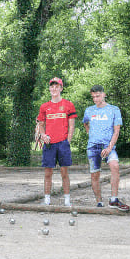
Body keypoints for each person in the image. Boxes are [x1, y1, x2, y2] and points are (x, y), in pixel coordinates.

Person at [80, 85, 130, 212]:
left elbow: (116, 131)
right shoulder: (89, 110)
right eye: (93, 97)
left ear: (103, 94)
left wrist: (109, 147)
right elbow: (85, 123)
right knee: (95, 175)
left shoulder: (114, 110)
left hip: (108, 146)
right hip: (92, 147)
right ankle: (99, 202)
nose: (96, 99)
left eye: (98, 96)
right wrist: (90, 133)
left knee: (115, 166)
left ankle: (114, 199)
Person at [35, 77, 76, 207]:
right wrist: (43, 135)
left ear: (61, 88)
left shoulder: (68, 105)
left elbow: (71, 126)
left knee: (64, 172)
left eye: (57, 86)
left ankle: (67, 199)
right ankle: (47, 199)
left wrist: (67, 141)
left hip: (63, 143)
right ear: (49, 89)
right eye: (52, 86)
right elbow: (41, 125)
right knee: (48, 173)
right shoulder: (44, 106)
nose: (54, 89)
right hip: (49, 144)